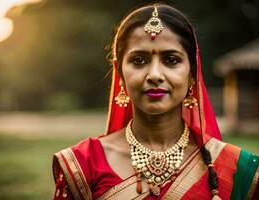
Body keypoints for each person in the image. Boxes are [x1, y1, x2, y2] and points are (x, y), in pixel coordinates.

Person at [52, 3, 259, 200]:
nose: (155, 75)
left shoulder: (238, 169)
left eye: (171, 60)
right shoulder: (84, 163)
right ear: (120, 73)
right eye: (139, 60)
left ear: (193, 74)